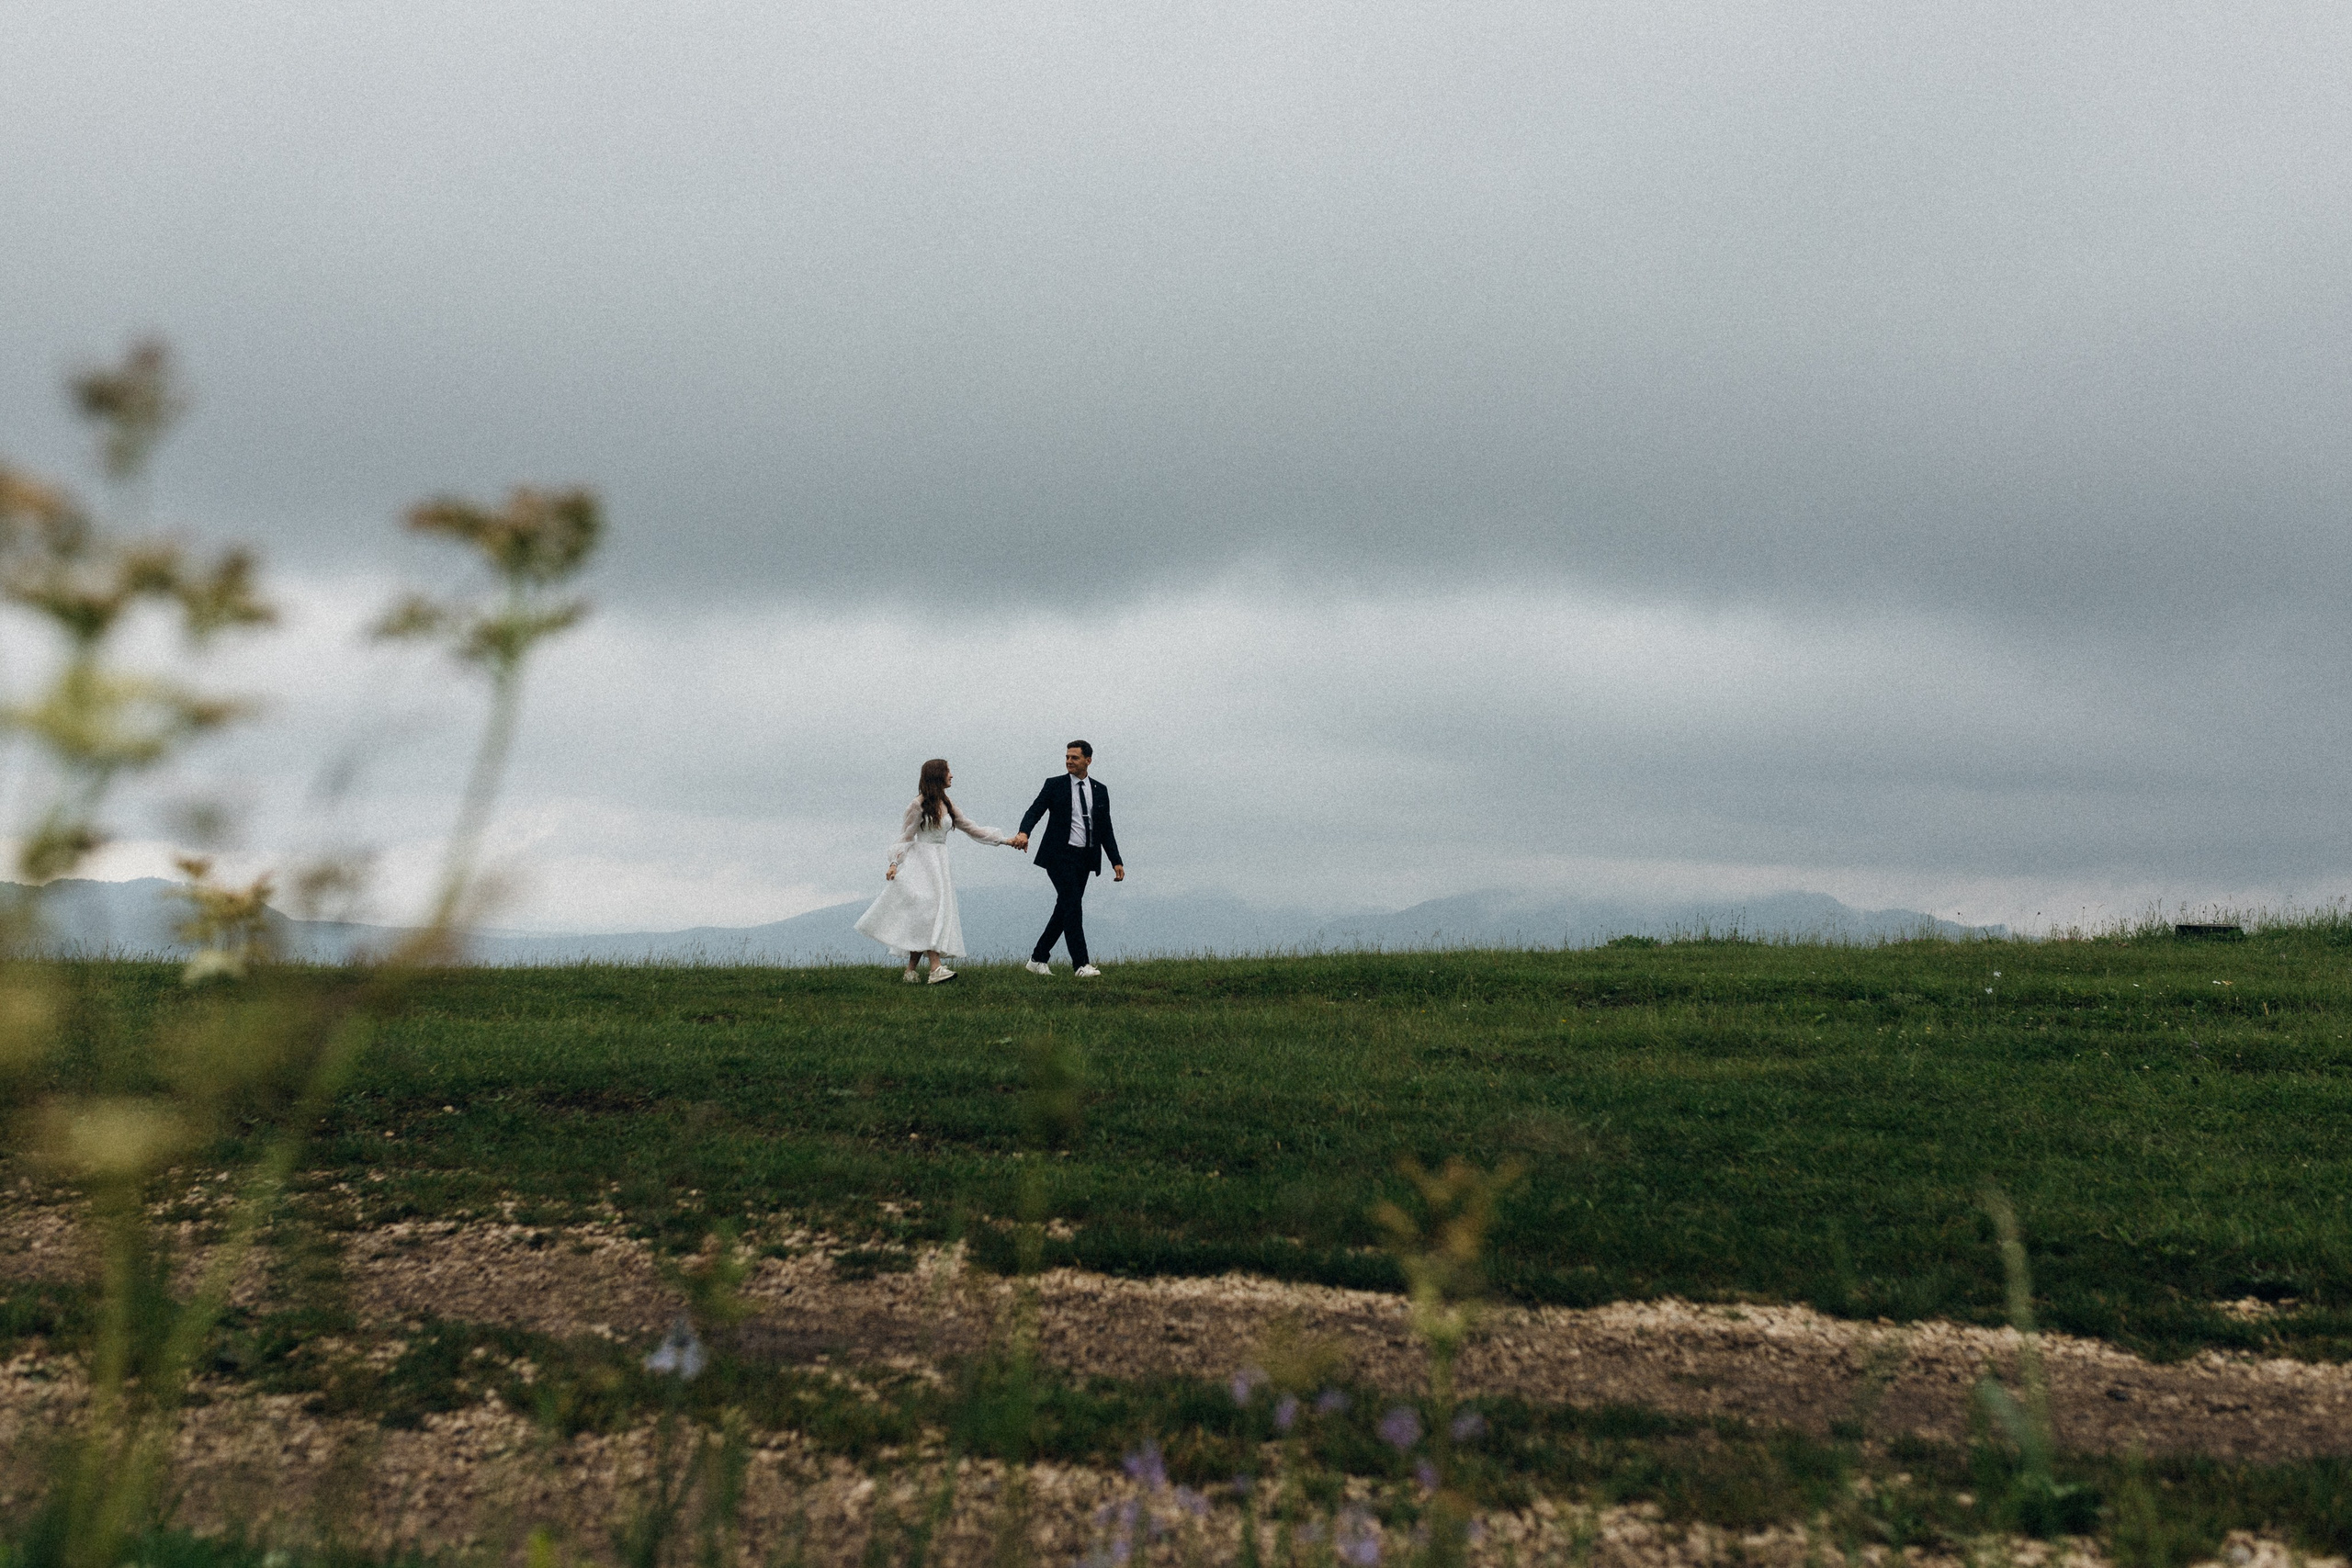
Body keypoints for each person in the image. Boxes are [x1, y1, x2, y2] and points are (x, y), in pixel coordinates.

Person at [854, 758, 1020, 983]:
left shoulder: (946, 803)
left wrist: (1005, 840)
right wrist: (894, 863)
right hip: (921, 863)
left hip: (939, 864)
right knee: (929, 913)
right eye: (948, 771)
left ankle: (910, 971)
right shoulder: (918, 805)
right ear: (937, 775)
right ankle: (935, 968)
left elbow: (971, 828)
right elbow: (906, 836)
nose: (951, 775)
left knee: (927, 914)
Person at [1010, 739, 1124, 977]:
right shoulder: (1055, 785)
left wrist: (1116, 861)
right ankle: (1081, 965)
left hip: (1085, 857)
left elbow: (1105, 828)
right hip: (1059, 856)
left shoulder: (1100, 790)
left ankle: (1038, 958)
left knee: (1065, 908)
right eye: (1067, 757)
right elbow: (1035, 810)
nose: (1069, 761)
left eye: (1075, 757)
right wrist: (1024, 832)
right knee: (1073, 906)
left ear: (1088, 761)